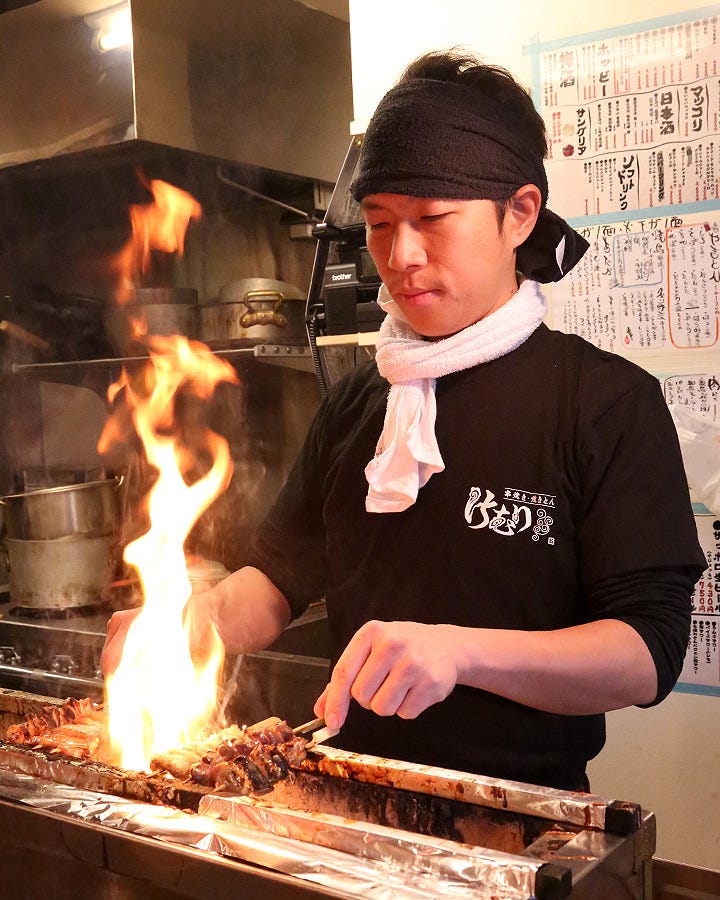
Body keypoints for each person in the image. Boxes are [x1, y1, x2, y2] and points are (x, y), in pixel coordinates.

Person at [102, 50, 706, 791]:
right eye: (381, 224)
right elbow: (277, 579)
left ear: (518, 214)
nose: (401, 256)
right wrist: (189, 622)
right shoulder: (360, 402)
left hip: (517, 819)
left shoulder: (605, 403)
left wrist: (461, 653)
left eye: (432, 220)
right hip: (341, 799)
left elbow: (648, 651)